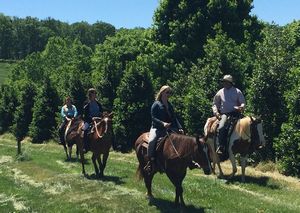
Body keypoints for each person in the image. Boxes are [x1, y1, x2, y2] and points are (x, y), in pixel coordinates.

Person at [146, 85, 184, 172]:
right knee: (152, 141)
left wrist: (179, 127)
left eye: (170, 93)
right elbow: (153, 118)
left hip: (169, 128)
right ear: (162, 92)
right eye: (167, 92)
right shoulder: (156, 104)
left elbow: (174, 117)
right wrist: (163, 123)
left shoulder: (169, 105)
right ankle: (150, 162)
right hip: (157, 128)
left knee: (182, 140)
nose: (169, 94)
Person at [212, 74, 245, 155]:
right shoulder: (220, 92)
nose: (224, 84)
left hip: (236, 113)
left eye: (226, 82)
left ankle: (250, 144)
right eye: (223, 82)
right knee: (222, 127)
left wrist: (241, 107)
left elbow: (243, 102)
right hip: (225, 114)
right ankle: (221, 146)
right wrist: (216, 112)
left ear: (230, 83)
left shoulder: (237, 91)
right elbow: (215, 104)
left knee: (250, 124)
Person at [82, 88, 103, 153]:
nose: (95, 94)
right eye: (94, 93)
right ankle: (85, 147)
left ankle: (111, 145)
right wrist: (92, 118)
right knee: (85, 130)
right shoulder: (86, 103)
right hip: (89, 120)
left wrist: (100, 116)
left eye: (95, 93)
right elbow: (85, 115)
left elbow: (101, 112)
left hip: (98, 120)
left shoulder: (98, 103)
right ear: (90, 94)